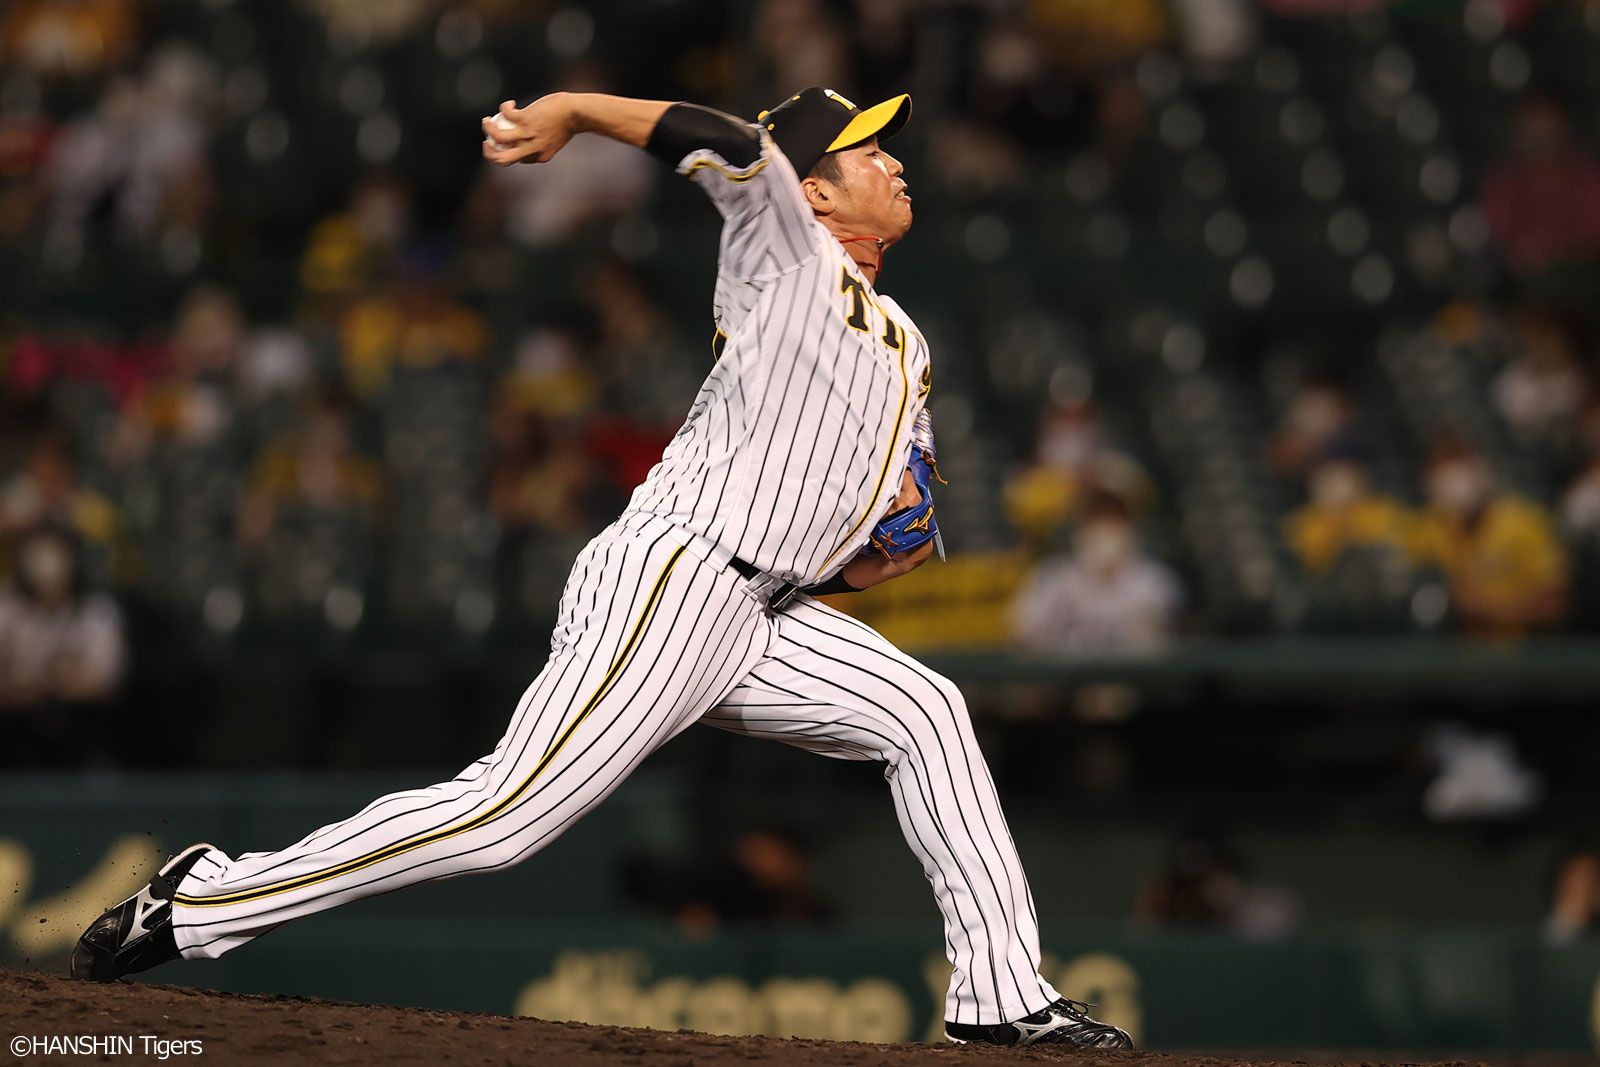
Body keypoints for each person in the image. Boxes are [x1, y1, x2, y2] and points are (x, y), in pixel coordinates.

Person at [70, 86, 1132, 1049]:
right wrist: (575, 110)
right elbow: (730, 144)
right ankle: (205, 898)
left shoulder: (905, 339)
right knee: (503, 820)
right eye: (865, 151)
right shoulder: (785, 252)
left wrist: (885, 538)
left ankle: (1000, 995)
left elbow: (895, 541)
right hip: (678, 578)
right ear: (813, 188)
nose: (894, 161)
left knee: (927, 712)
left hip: (767, 608)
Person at [1411, 439, 1567, 637]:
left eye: (1461, 467)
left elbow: (1554, 606)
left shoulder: (1525, 522)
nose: (1455, 482)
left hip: (1519, 649)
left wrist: (1484, 609)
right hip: (1451, 650)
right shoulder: (1431, 526)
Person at [1010, 490, 1181, 656]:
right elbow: (1023, 635)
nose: (1105, 534)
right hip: (1067, 674)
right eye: (1097, 525)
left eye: (1114, 526)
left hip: (1134, 674)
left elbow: (1165, 642)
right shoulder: (1052, 576)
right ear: (1080, 531)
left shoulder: (1154, 580)